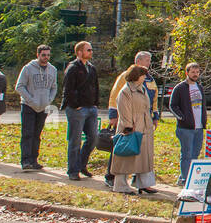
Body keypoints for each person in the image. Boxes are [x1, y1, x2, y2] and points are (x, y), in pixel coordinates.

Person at [106, 52, 159, 190]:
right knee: (125, 154)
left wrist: (155, 116)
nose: (149, 63)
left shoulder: (145, 84)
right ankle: (119, 183)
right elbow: (120, 105)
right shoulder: (125, 88)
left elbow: (153, 101)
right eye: (146, 60)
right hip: (131, 127)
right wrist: (127, 125)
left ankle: (143, 184)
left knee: (143, 157)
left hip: (144, 126)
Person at [15, 44, 58, 170]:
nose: (46, 57)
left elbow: (54, 87)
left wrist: (49, 99)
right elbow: (19, 86)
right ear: (38, 54)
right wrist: (30, 99)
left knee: (37, 134)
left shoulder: (53, 69)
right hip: (28, 105)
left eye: (48, 55)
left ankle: (34, 159)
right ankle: (25, 160)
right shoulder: (28, 68)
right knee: (27, 133)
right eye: (43, 55)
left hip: (43, 106)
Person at [62, 41, 99, 181]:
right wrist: (75, 104)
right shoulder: (73, 68)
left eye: (91, 49)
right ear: (79, 52)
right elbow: (68, 89)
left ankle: (81, 164)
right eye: (88, 50)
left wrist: (95, 104)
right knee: (75, 140)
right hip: (77, 109)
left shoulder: (91, 68)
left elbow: (96, 86)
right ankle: (73, 170)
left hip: (91, 108)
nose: (91, 52)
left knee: (93, 138)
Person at [170, 61, 211, 188]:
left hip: (199, 127)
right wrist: (182, 118)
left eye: (197, 72)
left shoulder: (199, 87)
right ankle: (184, 178)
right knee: (186, 154)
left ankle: (191, 177)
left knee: (195, 153)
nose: (195, 74)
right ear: (187, 72)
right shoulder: (180, 88)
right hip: (185, 128)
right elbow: (172, 105)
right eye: (193, 72)